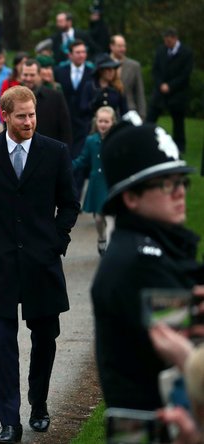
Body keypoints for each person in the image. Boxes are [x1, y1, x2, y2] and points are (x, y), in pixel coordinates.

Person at [0, 86, 80, 443]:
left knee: (45, 338)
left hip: (42, 262)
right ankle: (9, 421)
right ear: (5, 116)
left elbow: (70, 204)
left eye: (32, 115)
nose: (29, 121)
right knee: (3, 343)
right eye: (21, 116)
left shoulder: (55, 152)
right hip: (1, 262)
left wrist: (56, 243)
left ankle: (38, 401)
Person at [91, 120, 200, 411]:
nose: (180, 192)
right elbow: (189, 347)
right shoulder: (140, 262)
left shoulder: (154, 246)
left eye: (181, 181)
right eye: (166, 183)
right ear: (131, 197)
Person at [72, 106, 115, 255]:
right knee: (98, 219)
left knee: (110, 218)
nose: (103, 124)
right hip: (96, 184)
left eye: (106, 121)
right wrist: (67, 167)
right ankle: (102, 238)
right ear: (96, 122)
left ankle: (109, 250)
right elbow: (83, 160)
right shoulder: (91, 140)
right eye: (100, 121)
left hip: (110, 183)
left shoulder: (115, 140)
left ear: (112, 123)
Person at [54, 39, 94, 197]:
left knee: (80, 157)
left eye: (84, 52)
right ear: (70, 55)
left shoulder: (92, 73)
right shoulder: (59, 71)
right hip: (64, 121)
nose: (81, 55)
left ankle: (75, 195)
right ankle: (64, 191)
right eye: (78, 52)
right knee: (65, 155)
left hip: (83, 122)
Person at [146, 28, 193, 152]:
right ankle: (145, 139)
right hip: (160, 91)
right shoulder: (161, 50)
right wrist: (160, 84)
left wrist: (170, 86)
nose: (167, 44)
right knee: (151, 116)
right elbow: (155, 70)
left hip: (177, 92)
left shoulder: (186, 53)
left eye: (169, 41)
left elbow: (185, 74)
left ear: (175, 38)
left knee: (178, 121)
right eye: (165, 41)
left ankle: (179, 146)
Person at [20, 59, 72, 146]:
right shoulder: (13, 98)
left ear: (40, 75)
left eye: (32, 75)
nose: (28, 78)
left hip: (49, 151)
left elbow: (65, 129)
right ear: (21, 75)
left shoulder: (55, 97)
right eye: (25, 75)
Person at [109, 34, 146, 120]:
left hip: (130, 111)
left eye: (124, 46)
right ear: (111, 46)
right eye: (119, 46)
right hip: (108, 112)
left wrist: (142, 114)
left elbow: (139, 92)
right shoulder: (103, 66)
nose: (123, 49)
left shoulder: (134, 66)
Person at [86, 53, 127, 118]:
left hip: (113, 125)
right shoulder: (90, 86)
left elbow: (124, 111)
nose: (111, 72)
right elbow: (83, 109)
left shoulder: (117, 87)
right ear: (101, 71)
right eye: (108, 69)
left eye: (113, 69)